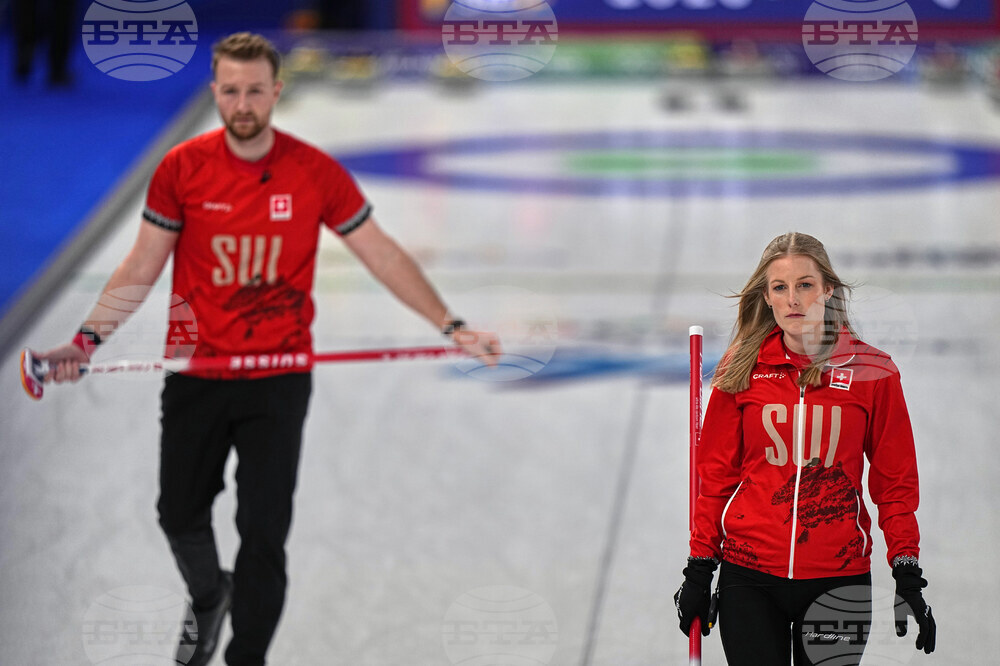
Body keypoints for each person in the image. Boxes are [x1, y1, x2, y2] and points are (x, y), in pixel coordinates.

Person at [38, 32, 499, 666]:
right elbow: (143, 264)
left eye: (256, 90)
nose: (244, 102)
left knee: (263, 534)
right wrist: (88, 340)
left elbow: (381, 253)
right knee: (178, 513)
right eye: (231, 90)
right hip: (199, 372)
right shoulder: (182, 169)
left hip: (278, 378)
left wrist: (452, 324)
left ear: (277, 91)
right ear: (215, 93)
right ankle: (209, 594)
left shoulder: (313, 172)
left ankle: (245, 658)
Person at [673, 232, 935, 665]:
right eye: (781, 287)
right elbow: (715, 478)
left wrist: (906, 567)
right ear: (768, 296)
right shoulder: (742, 370)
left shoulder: (874, 372)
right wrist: (700, 566)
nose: (794, 299)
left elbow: (895, 482)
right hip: (749, 575)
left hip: (840, 577)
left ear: (828, 289)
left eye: (805, 284)